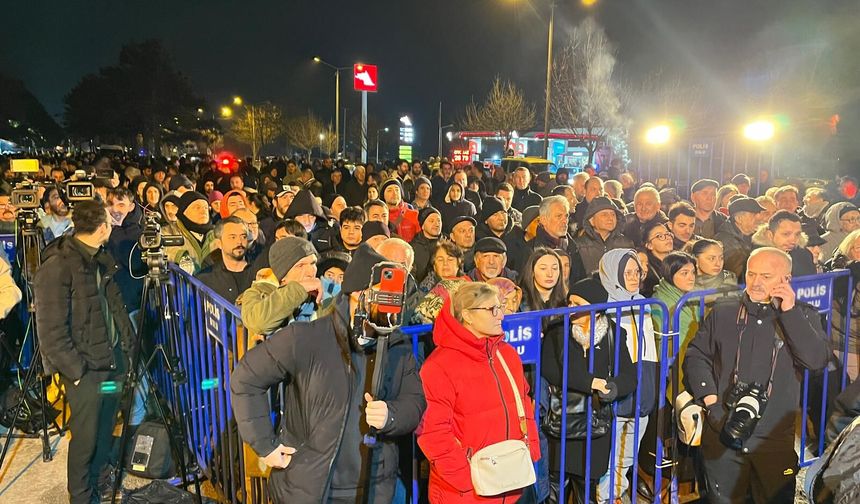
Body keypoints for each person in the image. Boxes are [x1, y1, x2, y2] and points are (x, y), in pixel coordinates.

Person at [231, 244, 426, 503]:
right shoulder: (306, 338)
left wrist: (392, 416)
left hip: (378, 488)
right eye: (382, 294)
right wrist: (265, 446)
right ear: (357, 293)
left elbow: (415, 401)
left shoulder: (396, 345)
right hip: (312, 488)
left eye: (394, 296)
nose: (390, 305)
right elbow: (246, 379)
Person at [683, 247, 830, 503]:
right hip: (722, 432)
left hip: (774, 438)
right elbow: (696, 356)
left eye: (766, 276)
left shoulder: (803, 315)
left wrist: (789, 312)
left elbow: (815, 361)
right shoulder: (724, 311)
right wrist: (711, 403)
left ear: (786, 279)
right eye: (751, 274)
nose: (756, 282)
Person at [34, 200, 134, 504]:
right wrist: (77, 374)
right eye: (109, 222)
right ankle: (81, 497)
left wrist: (126, 353)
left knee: (104, 432)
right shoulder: (58, 266)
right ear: (102, 228)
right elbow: (51, 332)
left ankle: (96, 485)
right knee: (86, 439)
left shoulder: (101, 259)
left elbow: (114, 309)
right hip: (85, 373)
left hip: (110, 363)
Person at [417, 282, 541, 503]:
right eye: (492, 309)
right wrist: (468, 479)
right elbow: (433, 434)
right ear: (467, 315)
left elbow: (524, 405)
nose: (501, 315)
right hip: (466, 493)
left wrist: (531, 454)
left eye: (500, 307)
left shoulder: (508, 355)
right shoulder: (438, 366)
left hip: (513, 485)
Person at [542, 278, 637, 504]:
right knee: (556, 489)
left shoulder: (614, 333)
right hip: (561, 420)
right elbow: (550, 370)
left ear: (596, 311)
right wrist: (590, 382)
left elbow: (629, 376)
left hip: (596, 423)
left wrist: (613, 388)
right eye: (570, 302)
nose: (571, 308)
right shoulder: (557, 330)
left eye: (578, 304)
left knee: (587, 487)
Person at [597, 248, 658, 502]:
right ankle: (604, 496)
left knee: (628, 453)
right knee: (610, 452)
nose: (634, 278)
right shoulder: (602, 306)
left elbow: (650, 349)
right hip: (618, 387)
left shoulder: (643, 303)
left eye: (637, 272)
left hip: (643, 384)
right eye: (627, 273)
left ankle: (616, 493)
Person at [238, 236, 323, 336]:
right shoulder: (258, 293)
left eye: (313, 263)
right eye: (300, 266)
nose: (311, 271)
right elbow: (257, 323)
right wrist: (299, 290)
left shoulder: (325, 291)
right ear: (282, 276)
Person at [196, 216, 254, 304]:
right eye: (232, 237)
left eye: (243, 237)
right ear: (219, 243)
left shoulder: (258, 272)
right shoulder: (205, 279)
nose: (239, 242)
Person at [827, 230, 860, 381]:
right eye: (858, 248)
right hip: (847, 345)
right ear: (848, 249)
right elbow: (852, 310)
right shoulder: (841, 275)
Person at [574, 196, 634, 277]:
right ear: (591, 221)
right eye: (604, 214)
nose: (610, 218)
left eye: (613, 214)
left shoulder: (626, 244)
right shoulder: (579, 245)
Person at [752, 210, 817, 276]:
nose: (793, 240)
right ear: (770, 235)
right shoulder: (754, 257)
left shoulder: (804, 256)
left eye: (797, 234)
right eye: (786, 234)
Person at [166, 191, 216, 274]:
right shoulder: (170, 231)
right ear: (184, 211)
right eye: (197, 207)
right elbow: (162, 248)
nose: (203, 211)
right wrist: (180, 256)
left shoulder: (218, 232)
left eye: (205, 208)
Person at [715, 197, 765, 278]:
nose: (759, 218)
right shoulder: (723, 241)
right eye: (753, 215)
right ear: (738, 219)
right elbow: (735, 272)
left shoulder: (757, 236)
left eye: (759, 213)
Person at [284, 189, 335, 254]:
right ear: (294, 218)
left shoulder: (330, 231)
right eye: (302, 216)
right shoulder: (286, 234)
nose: (307, 221)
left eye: (311, 216)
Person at [519, 247, 567, 313]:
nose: (550, 274)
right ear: (532, 271)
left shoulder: (567, 302)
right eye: (543, 268)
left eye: (554, 268)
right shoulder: (519, 302)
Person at [640, 221, 675, 297]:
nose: (668, 238)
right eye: (660, 236)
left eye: (668, 234)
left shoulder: (677, 260)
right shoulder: (647, 269)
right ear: (649, 245)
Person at [409, 207, 443, 284]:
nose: (437, 224)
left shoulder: (448, 245)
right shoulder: (412, 248)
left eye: (439, 221)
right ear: (422, 226)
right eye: (432, 221)